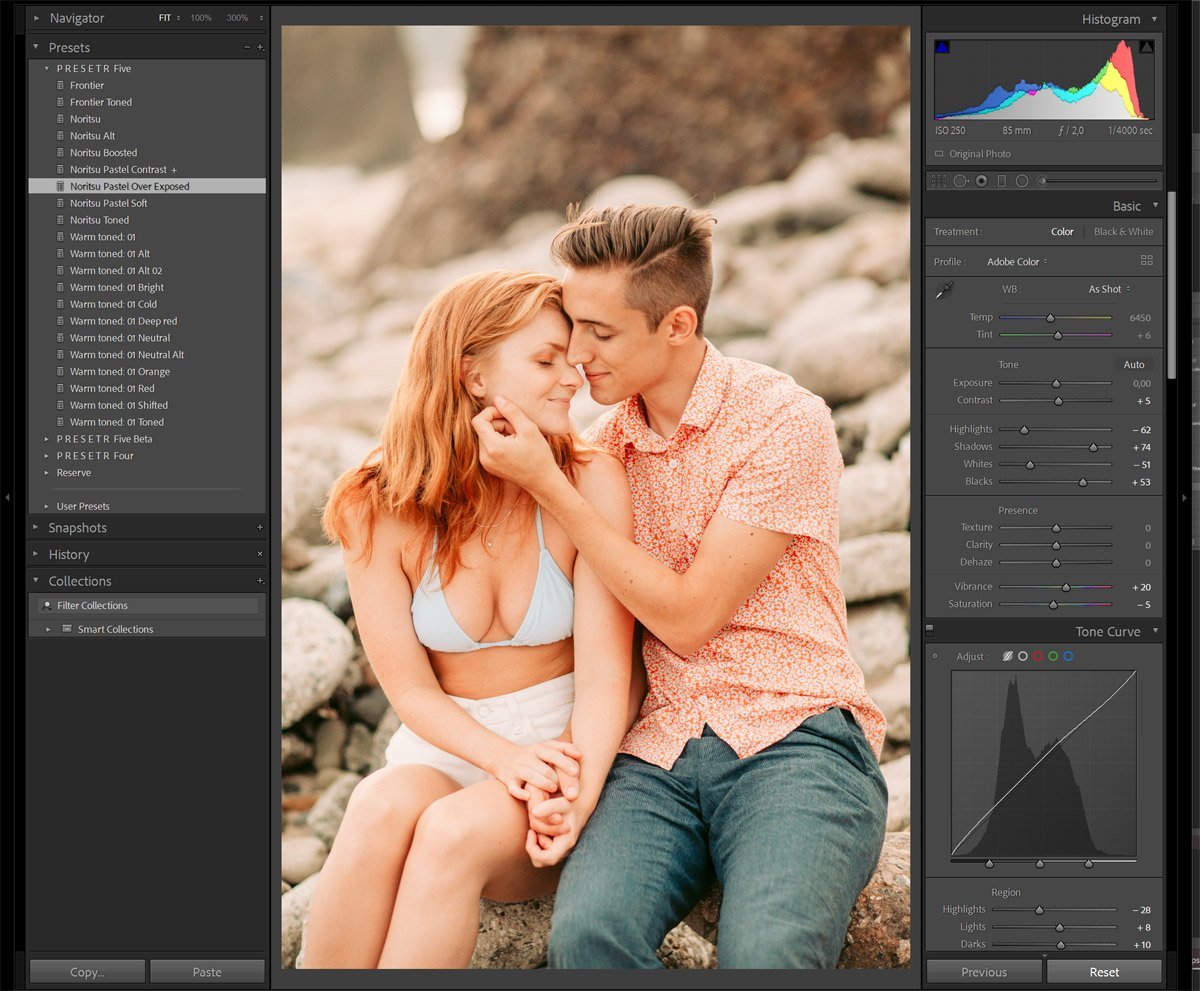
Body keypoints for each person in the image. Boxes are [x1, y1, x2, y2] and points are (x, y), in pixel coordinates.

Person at [472, 204, 890, 969]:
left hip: (793, 738)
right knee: (588, 937)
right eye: (571, 326)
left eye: (601, 332)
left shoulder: (781, 421)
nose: (576, 352)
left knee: (769, 955)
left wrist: (551, 488)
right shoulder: (600, 447)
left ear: (677, 324)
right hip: (653, 752)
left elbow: (691, 617)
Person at [302, 270, 636, 969]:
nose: (571, 379)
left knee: (450, 836)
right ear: (473, 374)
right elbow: (411, 690)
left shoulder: (587, 479)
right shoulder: (375, 504)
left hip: (566, 751)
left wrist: (570, 789)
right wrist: (500, 758)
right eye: (545, 360)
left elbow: (613, 677)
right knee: (376, 809)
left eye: (570, 361)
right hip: (449, 746)